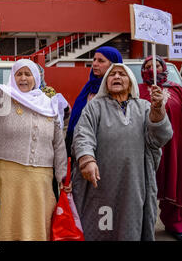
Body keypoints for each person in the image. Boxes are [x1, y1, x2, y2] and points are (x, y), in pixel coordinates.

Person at [0, 35, 70, 241]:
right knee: (10, 227)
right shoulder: (3, 97)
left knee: (38, 226)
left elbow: (58, 144)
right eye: (18, 74)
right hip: (10, 173)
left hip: (41, 178)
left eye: (28, 74)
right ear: (12, 77)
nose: (23, 78)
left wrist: (62, 176)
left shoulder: (49, 104)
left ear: (37, 78)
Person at [72, 63, 173, 241]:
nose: (116, 77)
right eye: (112, 75)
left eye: (122, 74)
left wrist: (158, 110)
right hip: (102, 185)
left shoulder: (144, 107)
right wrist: (87, 159)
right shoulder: (95, 107)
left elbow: (159, 138)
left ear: (131, 82)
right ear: (106, 81)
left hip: (134, 185)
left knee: (131, 226)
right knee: (101, 226)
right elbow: (83, 134)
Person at [138, 56, 182, 241]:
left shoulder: (177, 89)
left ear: (163, 67)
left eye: (156, 65)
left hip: (175, 145)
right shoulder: (137, 90)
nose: (152, 69)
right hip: (147, 146)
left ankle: (175, 222)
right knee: (145, 184)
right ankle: (140, 225)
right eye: (147, 66)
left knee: (175, 179)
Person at [65, 46, 123, 156]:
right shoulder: (89, 87)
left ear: (113, 65)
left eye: (101, 61)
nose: (95, 64)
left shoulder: (118, 92)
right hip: (81, 148)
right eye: (94, 60)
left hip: (105, 152)